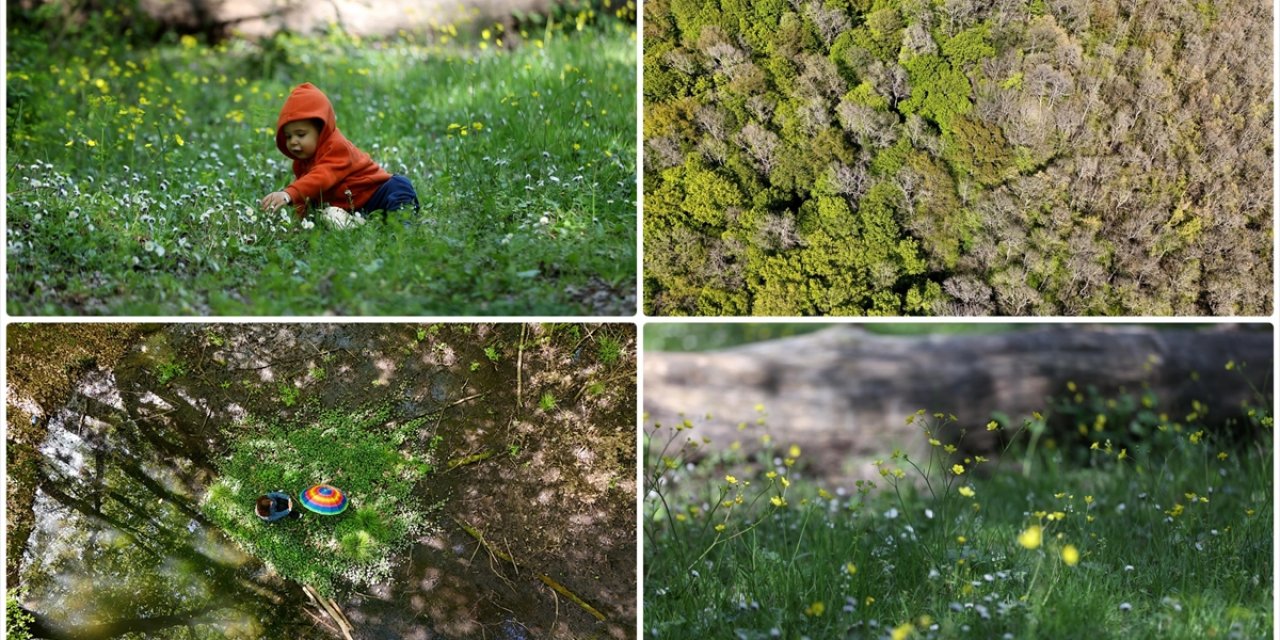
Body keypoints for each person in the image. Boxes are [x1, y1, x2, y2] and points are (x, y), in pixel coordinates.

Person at [259, 83, 419, 222]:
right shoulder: (301, 164)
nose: (293, 141)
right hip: (353, 208)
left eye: (301, 135)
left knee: (399, 187)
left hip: (376, 194)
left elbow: (321, 177)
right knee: (327, 215)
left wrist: (288, 194)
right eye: (288, 136)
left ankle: (403, 222)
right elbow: (306, 195)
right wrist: (300, 223)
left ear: (321, 130)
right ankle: (362, 223)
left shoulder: (337, 147)